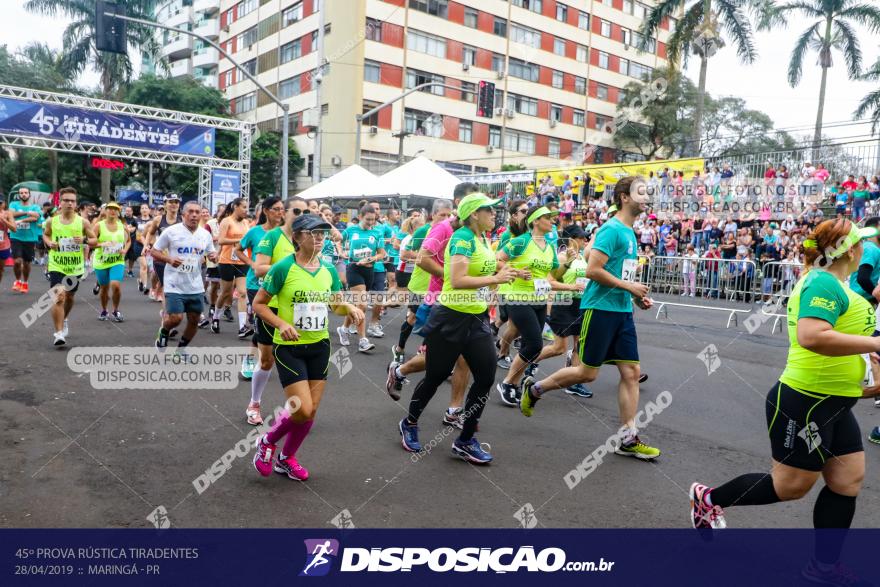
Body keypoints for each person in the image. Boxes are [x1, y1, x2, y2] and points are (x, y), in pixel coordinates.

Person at [689, 218, 880, 586]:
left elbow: (845, 338)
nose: (864, 250)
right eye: (860, 244)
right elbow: (811, 336)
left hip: (836, 402)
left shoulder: (836, 283)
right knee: (792, 486)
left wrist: (869, 366)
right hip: (805, 401)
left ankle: (823, 567)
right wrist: (875, 345)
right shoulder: (822, 281)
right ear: (848, 250)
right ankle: (708, 498)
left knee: (847, 481)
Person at [519, 176, 660, 460]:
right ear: (624, 197)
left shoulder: (630, 233)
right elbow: (593, 270)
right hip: (599, 309)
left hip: (622, 311)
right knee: (587, 373)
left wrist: (635, 296)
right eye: (640, 193)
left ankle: (628, 438)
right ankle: (535, 388)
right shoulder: (611, 230)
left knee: (631, 373)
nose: (646, 198)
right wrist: (628, 287)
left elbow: (623, 276)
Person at [398, 193, 515, 464]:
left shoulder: (483, 238)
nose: (494, 214)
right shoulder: (462, 237)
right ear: (474, 213)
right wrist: (496, 278)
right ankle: (410, 422)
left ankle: (465, 440)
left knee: (485, 377)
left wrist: (509, 271)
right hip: (450, 316)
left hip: (477, 319)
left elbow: (485, 267)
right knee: (436, 376)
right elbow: (458, 279)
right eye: (489, 210)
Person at [253, 214, 364, 481]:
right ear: (298, 237)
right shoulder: (282, 268)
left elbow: (335, 304)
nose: (319, 237)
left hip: (320, 346)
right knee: (300, 409)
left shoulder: (327, 270)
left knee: (311, 410)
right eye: (313, 233)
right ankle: (267, 442)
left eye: (323, 234)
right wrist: (280, 323)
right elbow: (259, 303)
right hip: (289, 347)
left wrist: (349, 306)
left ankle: (287, 459)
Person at [494, 205, 561, 406]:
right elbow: (497, 259)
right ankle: (506, 383)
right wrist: (515, 271)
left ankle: (513, 384)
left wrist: (571, 284)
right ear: (536, 221)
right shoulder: (522, 241)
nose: (552, 221)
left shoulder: (549, 247)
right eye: (548, 217)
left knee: (529, 347)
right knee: (535, 344)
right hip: (517, 297)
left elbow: (551, 276)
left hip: (539, 300)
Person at [237, 197, 285, 425]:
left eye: (282, 210)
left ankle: (296, 407)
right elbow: (237, 250)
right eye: (275, 209)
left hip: (284, 295)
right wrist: (253, 265)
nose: (279, 213)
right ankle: (250, 360)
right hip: (258, 287)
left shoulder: (291, 235)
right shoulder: (256, 232)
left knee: (280, 349)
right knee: (262, 329)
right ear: (266, 211)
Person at [151, 201, 217, 351]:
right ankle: (164, 331)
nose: (194, 215)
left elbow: (211, 252)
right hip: (174, 283)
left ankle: (181, 350)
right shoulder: (171, 231)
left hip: (195, 284)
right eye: (190, 212)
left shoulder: (205, 234)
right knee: (176, 318)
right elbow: (154, 251)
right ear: (183, 215)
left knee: (194, 320)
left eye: (197, 212)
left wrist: (213, 256)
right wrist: (169, 259)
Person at [540, 224, 591, 397]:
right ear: (571, 239)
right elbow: (550, 281)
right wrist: (571, 287)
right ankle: (529, 361)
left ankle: (573, 382)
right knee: (559, 348)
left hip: (580, 304)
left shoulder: (583, 257)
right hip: (563, 303)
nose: (584, 240)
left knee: (579, 344)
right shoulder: (562, 257)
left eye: (585, 238)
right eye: (581, 238)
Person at [43, 187, 97, 347]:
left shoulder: (83, 222)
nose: (69, 203)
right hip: (56, 264)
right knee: (58, 296)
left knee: (70, 297)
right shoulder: (52, 221)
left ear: (76, 204)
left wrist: (84, 240)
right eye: (66, 200)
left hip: (74, 267)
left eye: (72, 201)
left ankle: (64, 319)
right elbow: (46, 234)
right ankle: (58, 333)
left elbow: (94, 240)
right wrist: (49, 243)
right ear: (60, 202)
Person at [339, 204, 386, 353]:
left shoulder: (377, 233)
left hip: (369, 270)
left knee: (356, 304)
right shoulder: (351, 230)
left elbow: (382, 253)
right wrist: (341, 252)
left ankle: (344, 328)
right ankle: (363, 340)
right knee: (363, 305)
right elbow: (338, 240)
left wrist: (373, 258)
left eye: (373, 220)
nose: (371, 222)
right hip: (354, 269)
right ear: (360, 217)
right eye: (368, 219)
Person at [213, 198, 250, 336]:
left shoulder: (246, 222)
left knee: (242, 293)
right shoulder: (226, 221)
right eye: (244, 207)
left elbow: (249, 239)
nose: (246, 210)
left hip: (242, 261)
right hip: (227, 261)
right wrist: (239, 240)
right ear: (235, 207)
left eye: (247, 207)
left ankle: (242, 327)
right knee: (226, 293)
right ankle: (216, 317)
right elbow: (221, 240)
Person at [93, 202, 131, 322]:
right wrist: (101, 244)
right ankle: (104, 310)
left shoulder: (123, 226)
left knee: (115, 285)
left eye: (115, 209)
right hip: (101, 261)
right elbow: (91, 242)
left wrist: (124, 250)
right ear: (105, 211)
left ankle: (116, 310)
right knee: (104, 289)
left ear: (119, 212)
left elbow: (129, 241)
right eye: (110, 209)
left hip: (117, 261)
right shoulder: (98, 226)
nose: (113, 211)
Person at [143, 194, 183, 304]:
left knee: (169, 281)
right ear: (165, 204)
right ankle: (154, 289)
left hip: (175, 254)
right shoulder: (158, 219)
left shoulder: (182, 219)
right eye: (171, 202)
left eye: (176, 202)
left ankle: (161, 295)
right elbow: (150, 234)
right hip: (160, 254)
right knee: (158, 276)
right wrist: (146, 246)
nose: (174, 204)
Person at [9, 186, 43, 294]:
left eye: (25, 192)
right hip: (16, 236)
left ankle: (25, 282)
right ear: (19, 194)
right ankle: (18, 280)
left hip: (30, 238)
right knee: (18, 261)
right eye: (21, 193)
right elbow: (11, 214)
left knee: (27, 263)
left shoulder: (35, 206)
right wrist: (27, 213)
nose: (23, 194)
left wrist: (20, 220)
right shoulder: (13, 204)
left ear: (29, 194)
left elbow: (36, 217)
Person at [0, 201, 16, 286]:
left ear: (4, 204)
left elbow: (14, 228)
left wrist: (4, 220)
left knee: (0, 269)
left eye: (0, 203)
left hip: (3, 246)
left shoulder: (7, 214)